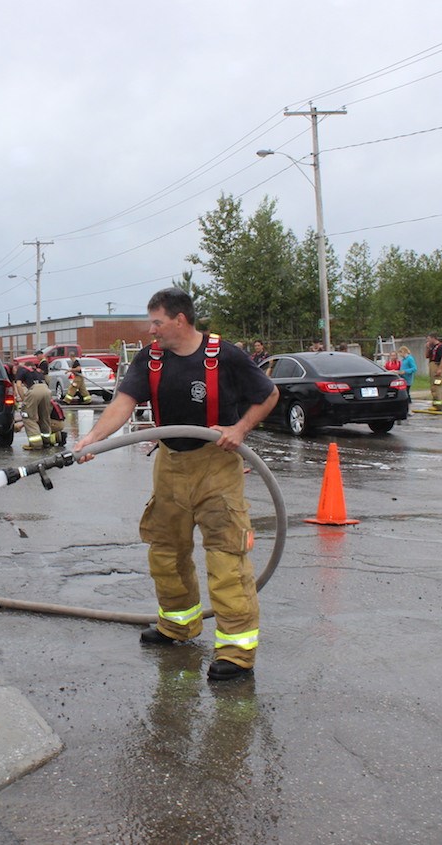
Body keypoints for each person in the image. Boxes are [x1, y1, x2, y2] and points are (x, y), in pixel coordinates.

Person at [73, 287, 278, 682]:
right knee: (166, 551)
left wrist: (240, 428)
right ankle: (177, 625)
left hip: (216, 465)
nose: (152, 331)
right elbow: (123, 403)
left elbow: (269, 394)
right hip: (169, 464)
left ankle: (236, 652)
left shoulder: (225, 355)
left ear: (180, 320)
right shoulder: (150, 359)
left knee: (225, 559)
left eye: (157, 322)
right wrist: (93, 438)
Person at [14, 357, 53, 450]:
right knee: (44, 416)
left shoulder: (21, 369)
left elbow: (18, 385)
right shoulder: (37, 371)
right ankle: (46, 441)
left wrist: (24, 399)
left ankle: (36, 444)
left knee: (28, 417)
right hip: (46, 390)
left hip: (34, 390)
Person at [425, 333, 442, 411]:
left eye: (428, 339)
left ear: (433, 338)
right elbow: (427, 356)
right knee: (433, 386)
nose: (427, 341)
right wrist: (427, 348)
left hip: (437, 366)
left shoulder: (440, 347)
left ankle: (438, 405)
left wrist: (440, 369)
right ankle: (435, 403)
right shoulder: (432, 347)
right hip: (432, 366)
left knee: (437, 385)